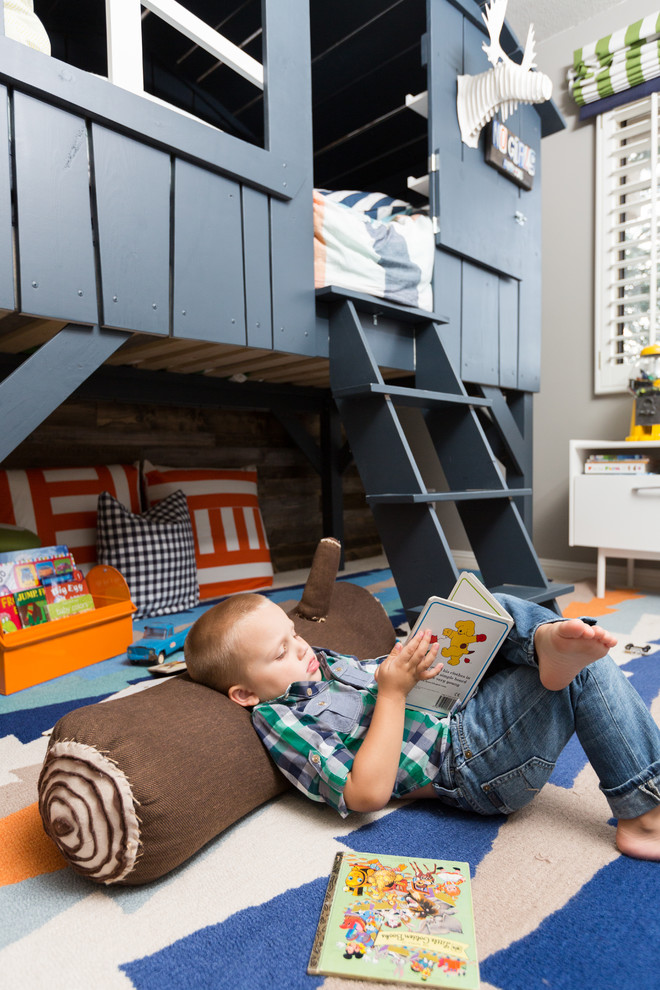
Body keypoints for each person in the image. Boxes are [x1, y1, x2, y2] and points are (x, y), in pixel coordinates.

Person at [184, 591, 660, 861]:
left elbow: (388, 677)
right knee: (589, 669)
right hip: (470, 764)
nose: (302, 649)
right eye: (280, 652)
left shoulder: (322, 663)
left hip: (456, 706)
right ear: (244, 695)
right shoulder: (280, 718)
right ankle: (644, 815)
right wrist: (391, 691)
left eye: (294, 635)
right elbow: (365, 794)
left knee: (486, 607)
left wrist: (414, 660)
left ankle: (541, 644)